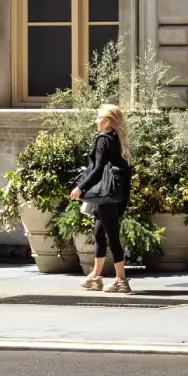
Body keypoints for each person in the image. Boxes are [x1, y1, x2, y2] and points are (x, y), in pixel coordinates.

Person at [70, 103, 133, 294]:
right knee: (99, 233)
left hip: (105, 195)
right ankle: (96, 277)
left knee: (112, 236)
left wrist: (80, 187)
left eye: (99, 117)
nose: (96, 121)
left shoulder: (103, 140)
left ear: (109, 121)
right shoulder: (116, 139)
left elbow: (98, 169)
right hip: (114, 194)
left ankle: (121, 280)